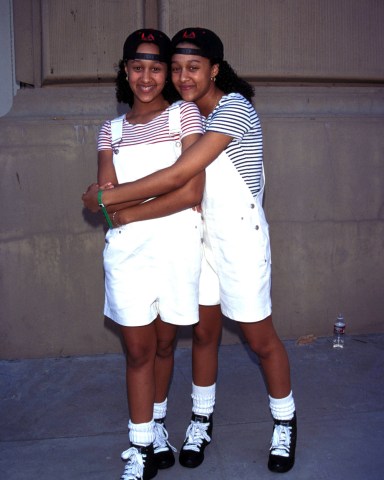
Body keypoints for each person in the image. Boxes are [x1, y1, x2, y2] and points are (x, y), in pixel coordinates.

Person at [83, 27, 297, 474]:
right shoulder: (185, 114)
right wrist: (114, 198)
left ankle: (285, 420)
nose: (182, 77)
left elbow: (182, 175)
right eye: (176, 68)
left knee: (259, 339)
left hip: (239, 237)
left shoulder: (233, 109)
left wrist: (110, 201)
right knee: (203, 334)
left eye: (194, 68)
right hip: (199, 239)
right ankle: (201, 417)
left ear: (215, 69)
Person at [87, 29, 205, 480]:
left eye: (157, 67)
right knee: (137, 349)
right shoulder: (110, 131)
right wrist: (106, 201)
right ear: (125, 71)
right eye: (138, 66)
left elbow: (191, 187)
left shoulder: (184, 116)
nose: (148, 76)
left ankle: (157, 424)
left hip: (176, 246)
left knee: (162, 342)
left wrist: (121, 207)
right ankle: (139, 447)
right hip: (128, 253)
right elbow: (104, 195)